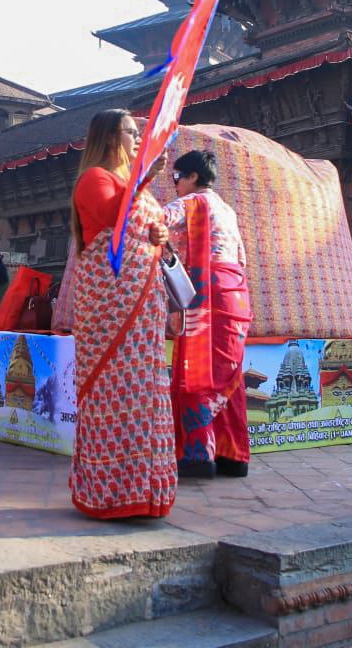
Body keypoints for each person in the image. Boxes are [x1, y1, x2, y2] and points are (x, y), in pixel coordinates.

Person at [67, 109, 176, 519]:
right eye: (131, 132)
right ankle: (109, 494)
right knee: (115, 393)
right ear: (111, 137)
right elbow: (114, 216)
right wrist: (144, 177)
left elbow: (143, 228)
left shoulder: (135, 184)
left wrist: (159, 235)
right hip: (109, 307)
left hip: (143, 306)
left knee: (145, 393)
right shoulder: (94, 179)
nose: (137, 138)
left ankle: (145, 492)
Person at [162, 149, 253, 479]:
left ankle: (198, 454)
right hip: (235, 295)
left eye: (177, 177)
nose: (175, 185)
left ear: (193, 177)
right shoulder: (227, 210)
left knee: (196, 370)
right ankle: (233, 456)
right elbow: (241, 257)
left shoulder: (190, 204)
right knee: (230, 375)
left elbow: (153, 222)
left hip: (206, 292)